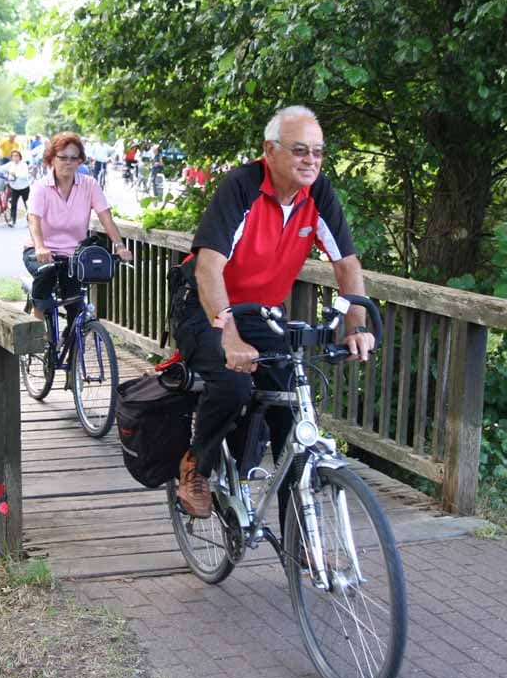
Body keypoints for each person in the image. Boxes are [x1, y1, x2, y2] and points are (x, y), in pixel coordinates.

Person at [171, 105, 374, 520]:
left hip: (262, 314)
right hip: (206, 307)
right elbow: (209, 265)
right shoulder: (242, 187)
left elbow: (346, 264)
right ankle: (197, 465)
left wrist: (357, 325)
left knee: (290, 408)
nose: (311, 161)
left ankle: (300, 536)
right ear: (270, 150)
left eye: (318, 152)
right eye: (300, 150)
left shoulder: (317, 193)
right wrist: (227, 334)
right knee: (233, 385)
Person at [24, 132, 134, 322]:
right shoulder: (41, 187)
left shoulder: (89, 185)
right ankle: (37, 326)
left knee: (75, 305)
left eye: (74, 158)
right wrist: (40, 247)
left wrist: (120, 246)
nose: (68, 162)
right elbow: (33, 220)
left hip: (73, 254)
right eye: (63, 157)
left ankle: (73, 342)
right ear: (52, 159)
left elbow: (106, 217)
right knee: (46, 272)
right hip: (41, 251)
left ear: (80, 161)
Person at [7, 149, 31, 225]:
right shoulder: (11, 165)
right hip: (14, 188)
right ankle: (12, 220)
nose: (15, 157)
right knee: (13, 204)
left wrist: (15, 175)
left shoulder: (23, 165)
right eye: (13, 156)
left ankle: (30, 220)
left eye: (16, 155)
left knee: (27, 204)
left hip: (24, 187)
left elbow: (25, 175)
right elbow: (9, 174)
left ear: (20, 157)